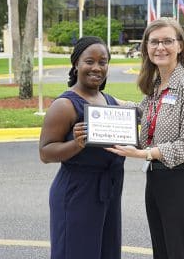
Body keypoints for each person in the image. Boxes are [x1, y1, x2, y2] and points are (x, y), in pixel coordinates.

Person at [106, 17, 184, 259]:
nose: (160, 47)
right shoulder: (158, 84)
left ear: (180, 46)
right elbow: (142, 111)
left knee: (179, 254)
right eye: (154, 42)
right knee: (162, 253)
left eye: (167, 41)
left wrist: (144, 154)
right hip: (157, 180)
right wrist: (102, 100)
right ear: (146, 47)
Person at [39, 36, 125, 259]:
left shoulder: (111, 102)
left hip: (109, 192)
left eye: (103, 62)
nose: (96, 67)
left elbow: (139, 117)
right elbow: (45, 153)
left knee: (106, 253)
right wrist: (75, 145)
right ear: (76, 64)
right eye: (89, 61)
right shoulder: (65, 105)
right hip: (77, 193)